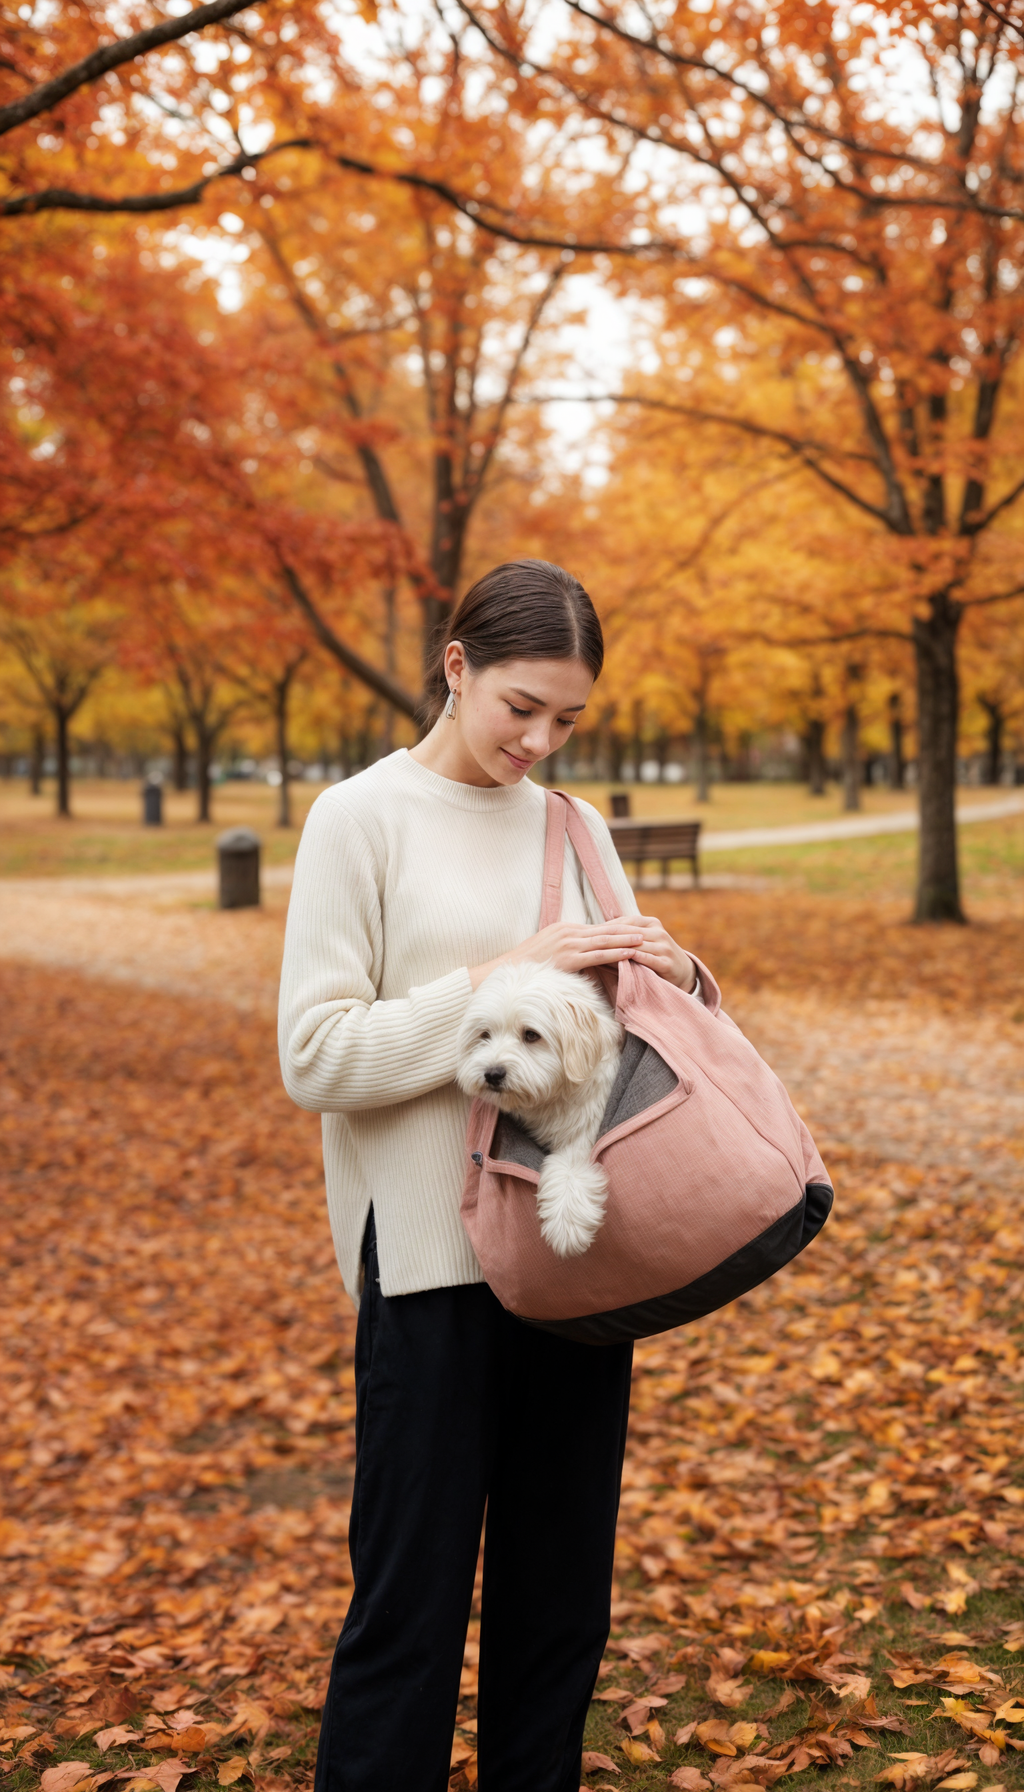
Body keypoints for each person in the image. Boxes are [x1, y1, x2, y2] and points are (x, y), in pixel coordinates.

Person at [278, 560, 707, 1792]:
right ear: (455, 666)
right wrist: (496, 979)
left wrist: (681, 976)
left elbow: (633, 1033)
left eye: (567, 718)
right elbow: (315, 1056)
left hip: (575, 1257)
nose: (539, 741)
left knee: (559, 1598)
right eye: (522, 706)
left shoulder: (576, 828)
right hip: (427, 1265)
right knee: (407, 1605)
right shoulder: (357, 818)